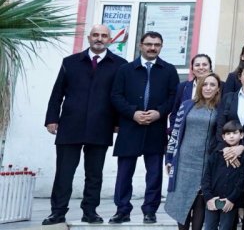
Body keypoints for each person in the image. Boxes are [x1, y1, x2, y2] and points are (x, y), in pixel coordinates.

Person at [43, 24, 124, 225]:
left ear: (110, 39)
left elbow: (120, 97)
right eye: (95, 35)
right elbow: (57, 93)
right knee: (64, 172)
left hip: (101, 125)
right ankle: (57, 212)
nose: (99, 38)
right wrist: (52, 118)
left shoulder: (120, 64)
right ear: (89, 38)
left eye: (104, 36)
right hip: (70, 124)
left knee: (94, 174)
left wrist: (117, 123)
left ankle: (90, 211)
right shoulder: (70, 62)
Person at [109, 31, 180, 224]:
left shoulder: (169, 70)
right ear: (141, 45)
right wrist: (133, 113)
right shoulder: (126, 69)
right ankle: (122, 210)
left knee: (155, 174)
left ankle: (150, 210)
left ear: (161, 46)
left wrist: (159, 113)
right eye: (149, 44)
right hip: (130, 127)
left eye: (156, 44)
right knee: (124, 173)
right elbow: (116, 96)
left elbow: (173, 98)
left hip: (155, 128)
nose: (152, 48)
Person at [165, 73, 223, 230]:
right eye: (205, 84)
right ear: (199, 87)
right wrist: (169, 159)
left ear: (218, 89)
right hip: (184, 161)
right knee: (181, 201)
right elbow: (175, 133)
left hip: (204, 162)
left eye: (212, 85)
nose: (208, 88)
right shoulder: (187, 105)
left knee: (199, 202)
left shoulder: (220, 109)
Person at [202, 121, 244, 230]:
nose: (231, 136)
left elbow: (243, 179)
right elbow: (206, 178)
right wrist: (208, 197)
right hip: (213, 200)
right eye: (228, 134)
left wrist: (232, 199)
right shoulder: (216, 154)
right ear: (223, 137)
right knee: (209, 227)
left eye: (234, 133)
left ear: (241, 135)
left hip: (230, 201)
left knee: (226, 227)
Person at [170, 54, 213, 129]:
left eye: (205, 64)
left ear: (210, 68)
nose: (201, 67)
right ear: (192, 69)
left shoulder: (221, 87)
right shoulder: (182, 87)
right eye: (197, 65)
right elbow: (175, 112)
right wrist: (173, 130)